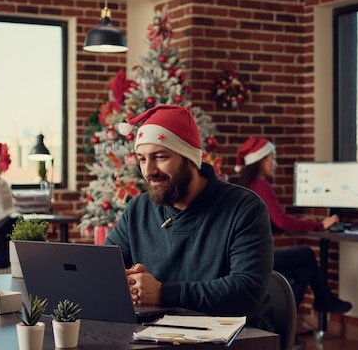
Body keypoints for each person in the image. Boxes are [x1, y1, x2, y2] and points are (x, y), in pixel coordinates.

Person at [105, 105, 275, 331]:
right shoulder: (138, 209)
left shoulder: (244, 208)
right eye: (143, 159)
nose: (149, 170)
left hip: (232, 339)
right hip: (155, 336)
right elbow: (104, 270)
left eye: (160, 157)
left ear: (191, 159)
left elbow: (247, 290)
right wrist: (126, 281)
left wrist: (162, 293)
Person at [235, 137, 352, 315]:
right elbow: (281, 221)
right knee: (306, 253)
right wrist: (320, 225)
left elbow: (274, 220)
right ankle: (323, 299)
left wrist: (303, 219)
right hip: (258, 260)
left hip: (245, 259)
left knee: (304, 272)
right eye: (272, 158)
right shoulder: (262, 185)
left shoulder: (247, 185)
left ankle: (283, 324)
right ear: (261, 161)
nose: (275, 163)